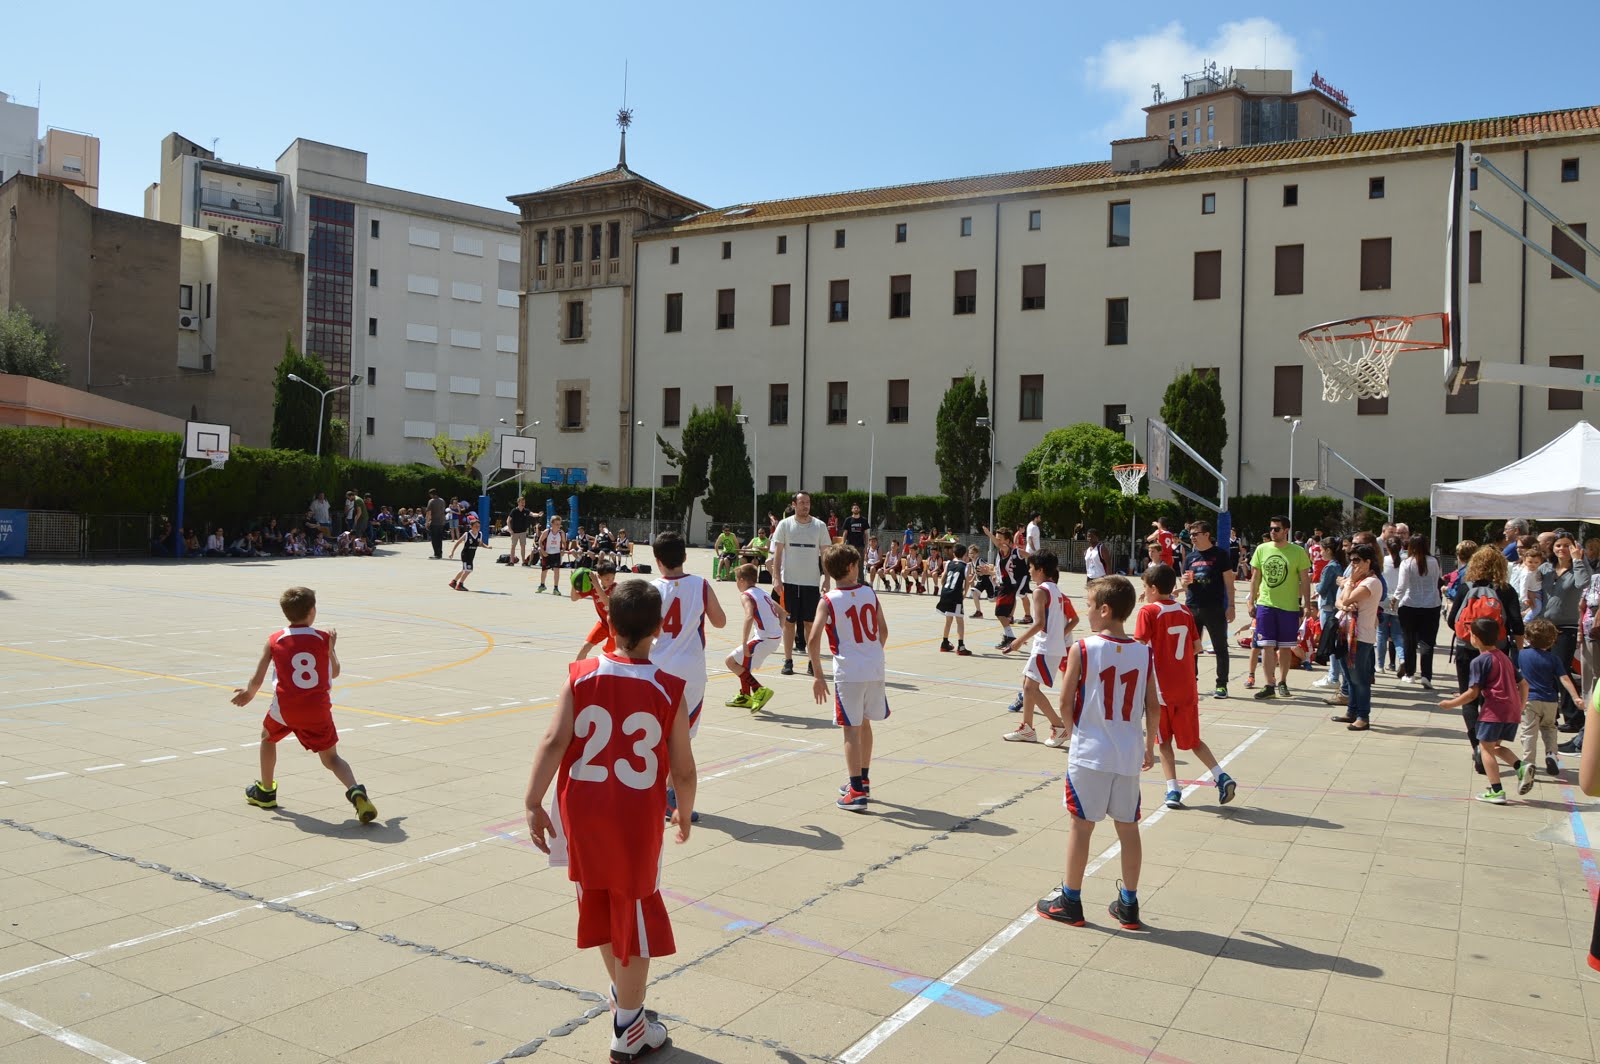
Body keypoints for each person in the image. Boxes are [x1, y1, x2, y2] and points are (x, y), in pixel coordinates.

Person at [522, 579, 695, 1063]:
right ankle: (627, 1027)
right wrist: (684, 807)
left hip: (582, 812)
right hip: (633, 822)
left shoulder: (581, 674)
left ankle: (625, 1002)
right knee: (636, 918)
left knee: (598, 906)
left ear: (609, 625)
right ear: (659, 628)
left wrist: (533, 800)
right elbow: (682, 766)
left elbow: (554, 740)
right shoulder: (667, 687)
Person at [1034, 576, 1158, 930]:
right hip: (1127, 752)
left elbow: (1064, 696)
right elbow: (1152, 704)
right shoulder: (1142, 651)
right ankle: (1129, 904)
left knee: (1081, 825)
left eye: (1089, 605)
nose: (1086, 612)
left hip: (1091, 751)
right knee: (1128, 826)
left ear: (1105, 610)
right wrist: (1149, 746)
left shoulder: (1085, 648)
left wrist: (1073, 731)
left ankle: (1071, 899)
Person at [230, 586, 377, 823]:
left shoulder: (275, 639)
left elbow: (258, 678)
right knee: (331, 759)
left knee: (268, 736)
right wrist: (332, 649)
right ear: (312, 611)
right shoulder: (323, 638)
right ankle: (356, 790)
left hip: (286, 709)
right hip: (318, 710)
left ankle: (266, 791)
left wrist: (248, 693)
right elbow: (335, 672)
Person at [1137, 564, 1238, 809]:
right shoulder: (1184, 611)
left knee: (1164, 742)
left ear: (1152, 588)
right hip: (1187, 687)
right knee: (1193, 740)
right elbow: (1196, 647)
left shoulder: (1148, 612)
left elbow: (1139, 645)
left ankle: (1173, 789)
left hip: (1161, 689)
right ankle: (1220, 775)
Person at [650, 532, 726, 821]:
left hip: (657, 669)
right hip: (690, 672)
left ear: (658, 562)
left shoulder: (652, 588)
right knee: (681, 739)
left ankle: (650, 791)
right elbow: (720, 621)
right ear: (684, 556)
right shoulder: (700, 585)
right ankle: (671, 797)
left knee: (654, 734)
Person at [808, 544, 888, 811]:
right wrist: (871, 653)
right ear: (852, 567)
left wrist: (818, 675)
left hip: (849, 670)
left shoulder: (829, 600)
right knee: (865, 724)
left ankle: (855, 792)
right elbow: (883, 631)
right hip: (874, 666)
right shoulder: (869, 592)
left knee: (850, 730)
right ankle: (863, 780)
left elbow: (813, 638)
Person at [1447, 546, 1526, 769]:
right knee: (1489, 700)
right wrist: (1517, 650)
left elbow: (1452, 619)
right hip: (1496, 652)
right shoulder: (1506, 590)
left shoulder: (1466, 588)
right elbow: (1516, 624)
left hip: (1466, 649)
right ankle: (1487, 747)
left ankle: (1477, 747)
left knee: (1468, 697)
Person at [1439, 617, 1529, 803]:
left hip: (1494, 710)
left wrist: (1451, 703)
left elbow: (1473, 693)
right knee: (1493, 746)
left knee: (1485, 748)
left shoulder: (1479, 661)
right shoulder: (1504, 657)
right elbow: (1524, 684)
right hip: (1511, 710)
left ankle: (1497, 791)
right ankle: (1520, 766)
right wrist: (1520, 706)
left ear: (1475, 638)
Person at [1000, 551, 1074, 746]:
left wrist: (1018, 641)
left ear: (1040, 570)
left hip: (1046, 647)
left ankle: (1058, 727)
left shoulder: (1040, 591)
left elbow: (1040, 622)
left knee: (1030, 688)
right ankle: (1029, 728)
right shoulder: (1055, 589)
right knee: (1028, 687)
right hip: (1050, 645)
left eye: (1032, 568)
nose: (1030, 571)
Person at [1247, 516, 1313, 700]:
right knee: (1266, 646)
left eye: (1276, 529)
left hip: (1289, 607)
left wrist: (1306, 604)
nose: (1273, 532)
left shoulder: (1298, 551)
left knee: (1285, 647)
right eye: (1271, 529)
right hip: (1266, 605)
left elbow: (1305, 580)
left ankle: (1282, 681)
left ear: (1286, 531)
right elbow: (1255, 578)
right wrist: (1251, 601)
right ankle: (1269, 684)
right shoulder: (1262, 549)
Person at [770, 492, 830, 676]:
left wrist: (827, 578)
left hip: (811, 583)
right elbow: (778, 554)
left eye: (808, 502)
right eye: (802, 502)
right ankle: (788, 661)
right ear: (794, 504)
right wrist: (776, 577)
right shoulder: (785, 524)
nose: (805, 505)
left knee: (810, 624)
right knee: (789, 623)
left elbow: (825, 554)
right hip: (789, 582)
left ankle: (813, 661)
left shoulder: (819, 526)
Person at [1542, 530, 1592, 730]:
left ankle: (1573, 718)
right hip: (1544, 626)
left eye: (1566, 545)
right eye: (1558, 545)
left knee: (1561, 670)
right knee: (1546, 672)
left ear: (1574, 547)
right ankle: (1549, 715)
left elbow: (1583, 584)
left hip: (1566, 627)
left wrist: (1578, 559)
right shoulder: (1546, 568)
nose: (1562, 549)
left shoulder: (1578, 568)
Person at [1180, 521, 1235, 699]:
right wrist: (1184, 584)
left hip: (1214, 608)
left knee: (1220, 647)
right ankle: (1191, 683)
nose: (1192, 537)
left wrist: (1231, 606)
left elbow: (1229, 582)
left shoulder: (1220, 555)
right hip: (1193, 607)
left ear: (1206, 534)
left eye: (1196, 534)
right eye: (1191, 534)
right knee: (1191, 649)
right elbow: (1186, 584)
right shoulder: (1190, 557)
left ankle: (1221, 685)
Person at [1330, 543, 1382, 731]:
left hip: (1361, 636)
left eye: (1357, 560)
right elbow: (1339, 601)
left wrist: (1348, 584)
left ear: (1368, 562)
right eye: (1351, 560)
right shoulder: (1357, 581)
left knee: (1360, 678)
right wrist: (1344, 604)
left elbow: (1346, 598)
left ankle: (1363, 716)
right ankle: (1351, 711)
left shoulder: (1371, 582)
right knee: (1349, 677)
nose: (1353, 564)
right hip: (1345, 633)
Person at [1519, 618, 1578, 782]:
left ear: (1528, 638)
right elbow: (1565, 679)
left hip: (1530, 700)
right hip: (1550, 700)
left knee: (1529, 732)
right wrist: (1576, 697)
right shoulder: (1554, 659)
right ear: (1552, 640)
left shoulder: (1522, 655)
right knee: (1549, 728)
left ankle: (1528, 762)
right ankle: (1551, 753)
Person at [724, 564, 781, 712]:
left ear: (742, 580)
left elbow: (749, 616)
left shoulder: (746, 595)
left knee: (730, 661)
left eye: (736, 579)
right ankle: (744, 696)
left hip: (765, 639)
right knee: (743, 664)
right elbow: (782, 612)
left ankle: (759, 690)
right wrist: (776, 629)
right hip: (772, 637)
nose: (736, 583)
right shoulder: (762, 592)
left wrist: (744, 643)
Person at [1395, 535, 1444, 690]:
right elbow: (1437, 580)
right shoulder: (1434, 562)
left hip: (1410, 604)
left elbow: (1402, 586)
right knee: (1427, 641)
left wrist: (1395, 599)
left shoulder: (1407, 563)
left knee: (1409, 640)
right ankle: (1426, 675)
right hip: (1431, 604)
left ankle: (1410, 674)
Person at [572, 560, 619, 661]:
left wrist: (596, 584)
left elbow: (608, 603)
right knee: (585, 647)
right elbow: (574, 598)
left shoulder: (616, 588)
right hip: (603, 624)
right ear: (599, 576)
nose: (610, 581)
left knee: (612, 655)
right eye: (607, 579)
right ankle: (576, 674)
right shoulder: (593, 588)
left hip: (615, 626)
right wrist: (574, 583)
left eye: (613, 578)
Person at [936, 544, 975, 656]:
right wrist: (964, 594)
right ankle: (961, 646)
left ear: (953, 554)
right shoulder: (966, 566)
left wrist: (945, 589)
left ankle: (944, 643)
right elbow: (967, 582)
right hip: (955, 595)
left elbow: (942, 579)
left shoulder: (948, 563)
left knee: (948, 620)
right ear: (965, 555)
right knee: (960, 620)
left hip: (945, 593)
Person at [447, 514, 483, 591]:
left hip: (471, 555)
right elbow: (458, 542)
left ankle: (453, 582)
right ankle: (460, 585)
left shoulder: (480, 534)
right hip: (465, 554)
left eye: (479, 526)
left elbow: (480, 543)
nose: (478, 528)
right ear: (471, 526)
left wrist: (487, 546)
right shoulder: (467, 534)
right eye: (476, 526)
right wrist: (452, 552)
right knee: (468, 570)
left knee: (464, 570)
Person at [537, 516, 566, 594]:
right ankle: (542, 585)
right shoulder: (547, 532)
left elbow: (564, 542)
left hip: (556, 554)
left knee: (557, 571)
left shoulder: (561, 533)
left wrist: (563, 550)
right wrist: (542, 551)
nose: (558, 525)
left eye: (559, 524)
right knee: (544, 570)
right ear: (552, 524)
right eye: (556, 524)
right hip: (547, 553)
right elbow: (540, 541)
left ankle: (555, 588)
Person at [507, 497, 534, 566]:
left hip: (523, 532)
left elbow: (532, 514)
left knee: (523, 547)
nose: (523, 503)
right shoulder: (514, 511)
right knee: (513, 546)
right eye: (522, 502)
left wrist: (538, 515)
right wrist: (510, 530)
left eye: (524, 502)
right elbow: (508, 520)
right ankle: (511, 561)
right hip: (515, 532)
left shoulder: (526, 511)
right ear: (518, 503)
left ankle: (523, 561)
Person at [425, 489, 448, 559]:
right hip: (441, 522)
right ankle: (440, 553)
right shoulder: (442, 501)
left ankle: (436, 554)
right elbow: (443, 511)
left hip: (434, 522)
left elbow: (429, 512)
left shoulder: (431, 501)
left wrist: (426, 522)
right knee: (439, 539)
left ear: (432, 494)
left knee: (434, 539)